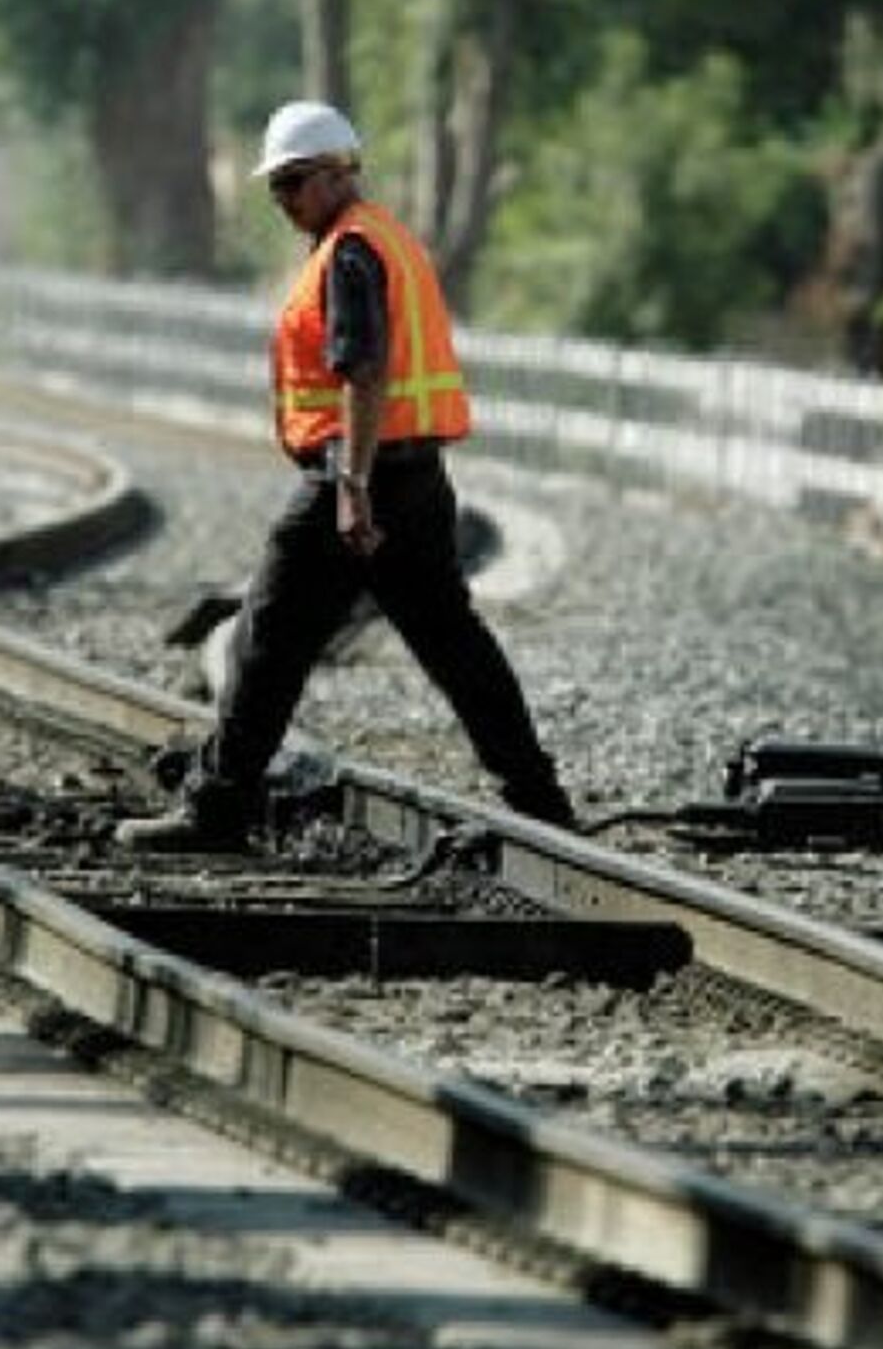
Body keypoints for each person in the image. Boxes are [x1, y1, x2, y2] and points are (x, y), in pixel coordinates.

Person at [117, 99, 575, 851]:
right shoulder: (384, 238)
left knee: (266, 639)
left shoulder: (351, 254)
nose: (285, 200)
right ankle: (540, 799)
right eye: (278, 187)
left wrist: (353, 491)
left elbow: (365, 371)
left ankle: (217, 809)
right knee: (454, 644)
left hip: (357, 481)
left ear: (338, 174)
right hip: (419, 478)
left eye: (295, 183)